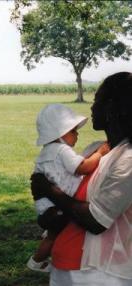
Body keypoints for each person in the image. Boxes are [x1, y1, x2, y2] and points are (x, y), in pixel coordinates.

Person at [31, 72, 132, 286]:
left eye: (97, 101)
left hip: (101, 279)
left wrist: (49, 190)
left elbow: (96, 221)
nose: (92, 108)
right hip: (65, 268)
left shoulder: (128, 160)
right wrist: (45, 211)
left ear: (113, 108)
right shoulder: (93, 150)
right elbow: (55, 212)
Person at [27, 103, 109, 272]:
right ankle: (36, 261)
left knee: (52, 235)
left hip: (47, 208)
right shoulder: (62, 150)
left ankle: (38, 259)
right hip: (58, 209)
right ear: (61, 133)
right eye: (73, 130)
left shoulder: (46, 152)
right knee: (54, 236)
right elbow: (82, 167)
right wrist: (99, 153)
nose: (77, 134)